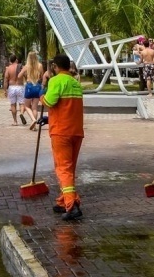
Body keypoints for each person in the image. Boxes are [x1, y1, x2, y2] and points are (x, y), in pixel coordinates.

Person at [41, 54, 85, 221]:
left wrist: (41, 95)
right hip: (76, 131)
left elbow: (50, 102)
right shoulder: (75, 83)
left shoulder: (56, 81)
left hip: (61, 132)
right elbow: (66, 107)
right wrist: (47, 118)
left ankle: (71, 205)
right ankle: (63, 200)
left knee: (63, 169)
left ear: (55, 67)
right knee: (70, 169)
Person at [19, 51, 44, 131]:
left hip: (29, 86)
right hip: (37, 86)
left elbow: (19, 75)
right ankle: (35, 126)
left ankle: (33, 119)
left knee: (26, 106)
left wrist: (25, 75)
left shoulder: (27, 66)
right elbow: (42, 76)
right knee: (35, 107)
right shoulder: (40, 66)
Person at [3, 54, 26, 125]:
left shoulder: (8, 68)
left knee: (13, 105)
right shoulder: (21, 67)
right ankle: (21, 113)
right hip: (20, 86)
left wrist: (5, 90)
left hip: (12, 87)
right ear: (16, 60)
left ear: (10, 60)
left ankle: (15, 121)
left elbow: (6, 80)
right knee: (22, 103)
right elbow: (26, 75)